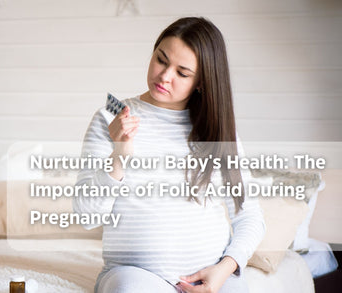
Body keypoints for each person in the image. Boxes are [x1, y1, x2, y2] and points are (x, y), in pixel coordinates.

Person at [73, 17, 266, 293]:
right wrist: (120, 153)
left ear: (201, 82)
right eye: (161, 60)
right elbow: (87, 216)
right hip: (135, 277)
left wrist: (225, 269)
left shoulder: (217, 131)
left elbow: (249, 217)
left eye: (182, 72)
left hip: (212, 276)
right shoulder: (110, 118)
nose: (164, 76)